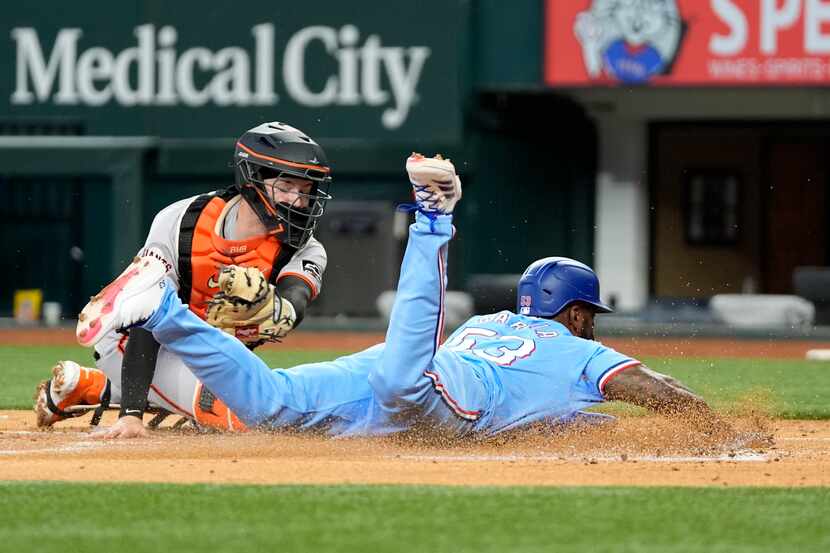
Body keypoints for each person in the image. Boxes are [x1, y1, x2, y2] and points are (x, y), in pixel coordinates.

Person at [75, 153, 733, 441]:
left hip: (388, 383)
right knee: (405, 375)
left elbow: (556, 413)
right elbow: (656, 387)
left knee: (272, 405)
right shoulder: (581, 352)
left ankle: (160, 308)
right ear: (579, 312)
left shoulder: (497, 321)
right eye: (591, 317)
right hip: (436, 391)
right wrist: (722, 430)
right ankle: (433, 216)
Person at [34, 122, 333, 432]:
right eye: (285, 188)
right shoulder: (182, 221)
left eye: (305, 191)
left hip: (205, 354)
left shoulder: (306, 249)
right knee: (253, 419)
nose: (297, 201)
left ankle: (88, 386)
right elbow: (146, 315)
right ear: (252, 179)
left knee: (267, 400)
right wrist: (131, 415)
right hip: (129, 341)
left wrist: (279, 311)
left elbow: (294, 299)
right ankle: (122, 389)